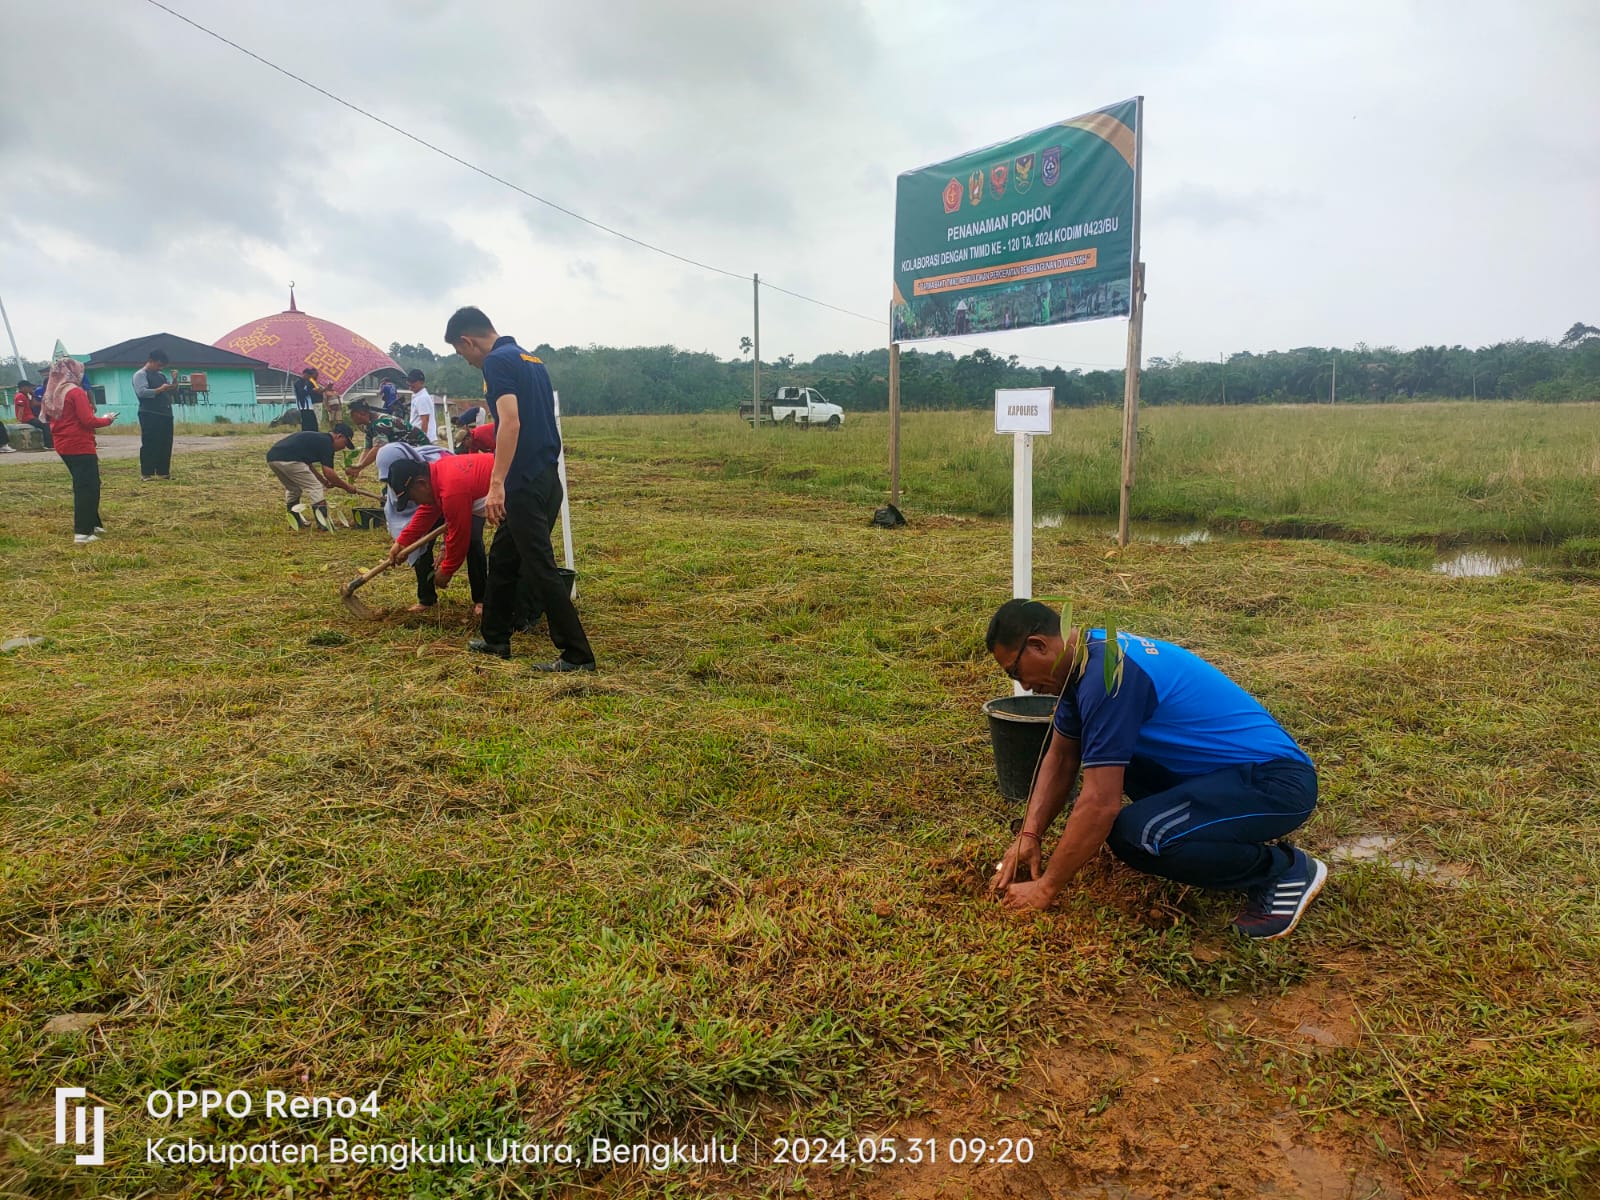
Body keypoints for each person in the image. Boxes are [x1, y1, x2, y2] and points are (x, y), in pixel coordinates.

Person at [985, 599, 1325, 941]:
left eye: (1015, 672)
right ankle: (1217, 834)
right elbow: (1060, 758)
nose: (1024, 686)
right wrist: (1029, 835)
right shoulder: (1087, 659)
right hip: (1220, 775)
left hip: (1274, 782)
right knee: (1112, 758)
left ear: (1038, 645)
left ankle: (1283, 870)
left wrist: (1047, 887)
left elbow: (1101, 804)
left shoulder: (1109, 677)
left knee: (1139, 836)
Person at [444, 306, 594, 670]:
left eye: (461, 353)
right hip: (545, 476)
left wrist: (497, 486)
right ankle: (496, 638)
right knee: (503, 557)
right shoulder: (532, 359)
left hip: (524, 483)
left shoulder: (497, 363)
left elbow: (509, 424)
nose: (466, 362)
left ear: (468, 340)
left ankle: (577, 655)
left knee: (540, 566)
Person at [385, 455, 496, 618]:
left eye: (412, 497)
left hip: (524, 486)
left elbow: (459, 534)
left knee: (510, 555)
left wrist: (447, 570)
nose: (415, 502)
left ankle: (524, 612)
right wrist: (402, 542)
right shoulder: (438, 475)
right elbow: (427, 511)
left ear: (421, 483)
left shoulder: (452, 488)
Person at [42, 358, 115, 544]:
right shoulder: (75, 392)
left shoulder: (53, 392)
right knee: (87, 487)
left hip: (63, 444)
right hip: (79, 444)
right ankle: (82, 531)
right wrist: (107, 419)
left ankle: (94, 523)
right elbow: (88, 421)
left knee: (89, 483)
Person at [265, 422, 359, 530]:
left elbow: (309, 466)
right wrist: (347, 487)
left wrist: (323, 481)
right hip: (290, 460)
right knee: (315, 487)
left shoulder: (319, 439)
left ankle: (295, 521)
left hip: (273, 458)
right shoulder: (327, 443)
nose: (343, 447)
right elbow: (329, 473)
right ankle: (323, 524)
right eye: (345, 443)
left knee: (293, 489)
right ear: (339, 436)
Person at [344, 400, 431, 479]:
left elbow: (378, 447)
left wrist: (361, 466)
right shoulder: (368, 425)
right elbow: (368, 448)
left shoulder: (380, 423)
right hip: (404, 451)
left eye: (352, 415)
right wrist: (358, 467)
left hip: (419, 450)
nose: (351, 418)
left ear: (361, 413)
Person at [132, 348, 177, 481]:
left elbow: (170, 391)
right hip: (149, 413)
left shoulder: (161, 375)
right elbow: (142, 392)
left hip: (165, 413)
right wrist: (159, 389)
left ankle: (163, 471)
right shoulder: (140, 374)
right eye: (158, 365)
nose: (160, 368)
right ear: (150, 361)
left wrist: (174, 381)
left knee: (165, 443)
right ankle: (147, 473)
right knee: (150, 443)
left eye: (162, 366)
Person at [404, 369, 442, 445]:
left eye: (413, 382)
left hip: (424, 440)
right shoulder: (417, 396)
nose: (410, 384)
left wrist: (422, 440)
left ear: (421, 382)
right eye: (409, 381)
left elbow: (425, 420)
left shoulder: (422, 398)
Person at [14, 379, 52, 448]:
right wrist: (19, 420)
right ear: (23, 387)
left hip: (31, 416)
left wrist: (32, 395)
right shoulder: (20, 396)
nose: (30, 389)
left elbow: (33, 404)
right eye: (29, 387)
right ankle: (49, 444)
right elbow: (20, 409)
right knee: (46, 425)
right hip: (27, 418)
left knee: (47, 423)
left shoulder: (25, 396)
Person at [293, 367, 323, 432]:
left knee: (313, 423)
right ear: (304, 374)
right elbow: (301, 394)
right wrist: (311, 390)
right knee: (306, 423)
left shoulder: (308, 382)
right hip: (303, 406)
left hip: (309, 406)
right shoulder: (298, 383)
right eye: (309, 375)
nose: (309, 377)